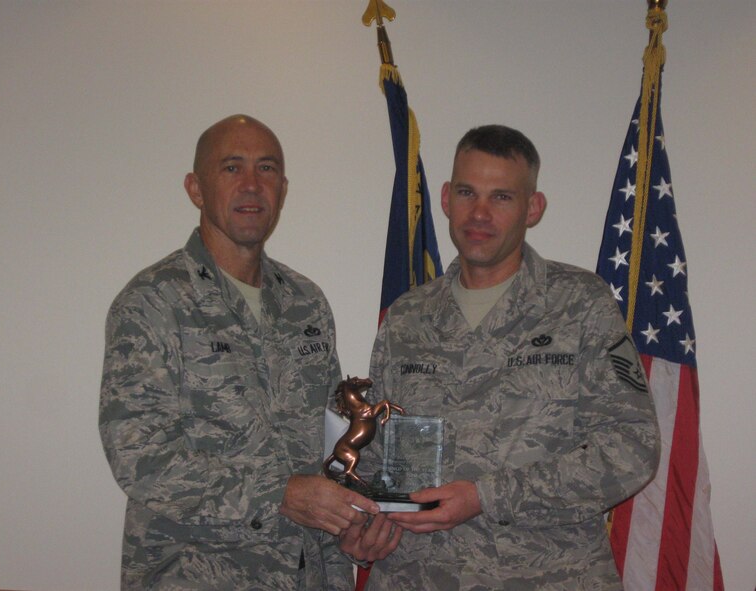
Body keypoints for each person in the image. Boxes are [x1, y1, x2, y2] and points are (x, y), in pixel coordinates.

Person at [343, 125, 660, 589]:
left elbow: (632, 448)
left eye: (502, 197)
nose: (480, 213)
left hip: (546, 575)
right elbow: (376, 454)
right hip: (419, 574)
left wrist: (487, 497)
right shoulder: (407, 317)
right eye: (468, 192)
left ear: (533, 208)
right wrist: (359, 525)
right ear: (447, 198)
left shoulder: (580, 305)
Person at [99, 114, 380, 590]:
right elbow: (139, 456)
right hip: (196, 575)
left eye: (267, 169)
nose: (252, 185)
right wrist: (279, 494)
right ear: (196, 188)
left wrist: (355, 520)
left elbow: (329, 440)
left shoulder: (305, 302)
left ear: (283, 188)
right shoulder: (154, 301)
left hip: (307, 574)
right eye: (232, 168)